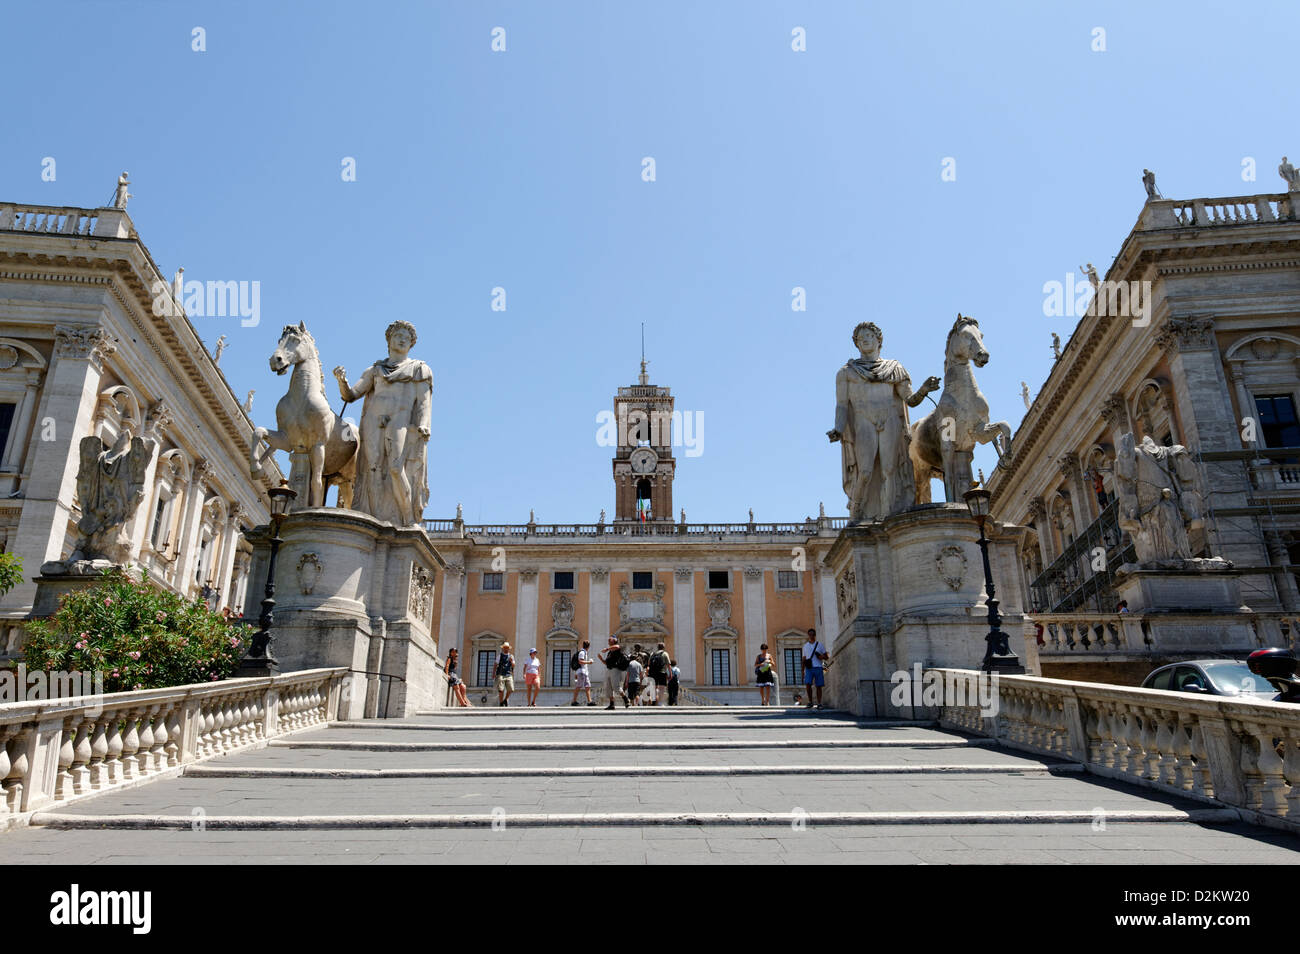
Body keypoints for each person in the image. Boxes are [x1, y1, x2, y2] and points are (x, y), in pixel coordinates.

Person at [598, 636, 628, 710]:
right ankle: (611, 704)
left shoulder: (617, 648)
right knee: (608, 688)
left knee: (616, 687)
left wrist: (607, 649)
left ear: (614, 640)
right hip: (609, 670)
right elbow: (606, 663)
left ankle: (626, 699)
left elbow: (617, 646)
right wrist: (601, 659)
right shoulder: (610, 652)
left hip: (615, 670)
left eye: (610, 639)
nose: (608, 640)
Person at [802, 628, 828, 709]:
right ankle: (810, 702)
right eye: (810, 634)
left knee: (818, 686)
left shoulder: (820, 645)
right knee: (808, 684)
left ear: (815, 635)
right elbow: (804, 659)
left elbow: (826, 657)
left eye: (813, 634)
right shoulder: (805, 646)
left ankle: (819, 703)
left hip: (818, 667)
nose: (811, 636)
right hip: (809, 668)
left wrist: (821, 656)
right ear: (808, 635)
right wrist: (802, 670)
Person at [571, 640, 596, 707]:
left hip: (583, 672)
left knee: (587, 686)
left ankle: (589, 701)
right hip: (582, 672)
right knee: (579, 686)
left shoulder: (583, 652)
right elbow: (580, 661)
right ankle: (574, 701)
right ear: (588, 647)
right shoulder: (582, 653)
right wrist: (589, 662)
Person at [647, 642, 672, 706]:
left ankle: (654, 700)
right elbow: (668, 665)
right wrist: (670, 674)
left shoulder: (653, 654)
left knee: (654, 687)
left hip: (653, 673)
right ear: (663, 647)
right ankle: (660, 702)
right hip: (662, 672)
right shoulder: (665, 654)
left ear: (657, 647)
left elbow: (649, 664)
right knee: (662, 688)